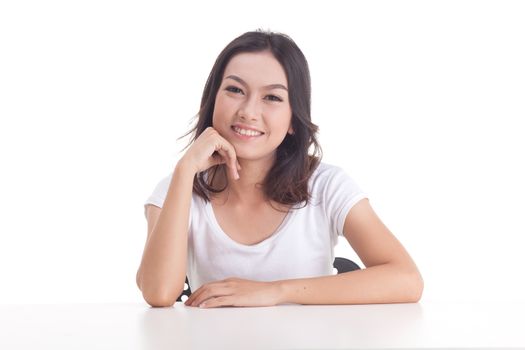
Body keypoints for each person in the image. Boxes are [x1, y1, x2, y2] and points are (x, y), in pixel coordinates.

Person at [136, 29, 424, 308]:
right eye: (235, 90)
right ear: (213, 100)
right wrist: (185, 170)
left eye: (272, 97)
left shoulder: (327, 186)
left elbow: (407, 279)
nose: (248, 111)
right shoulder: (177, 188)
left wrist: (274, 291)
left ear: (293, 120)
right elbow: (159, 292)